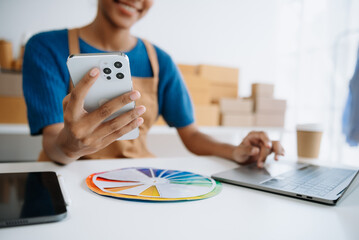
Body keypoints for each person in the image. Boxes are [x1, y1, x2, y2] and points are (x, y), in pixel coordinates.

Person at [23, 0, 284, 166]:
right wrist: (69, 146)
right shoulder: (45, 48)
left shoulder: (160, 61)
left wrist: (236, 150)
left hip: (135, 180)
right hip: (69, 180)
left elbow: (191, 135)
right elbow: (53, 144)